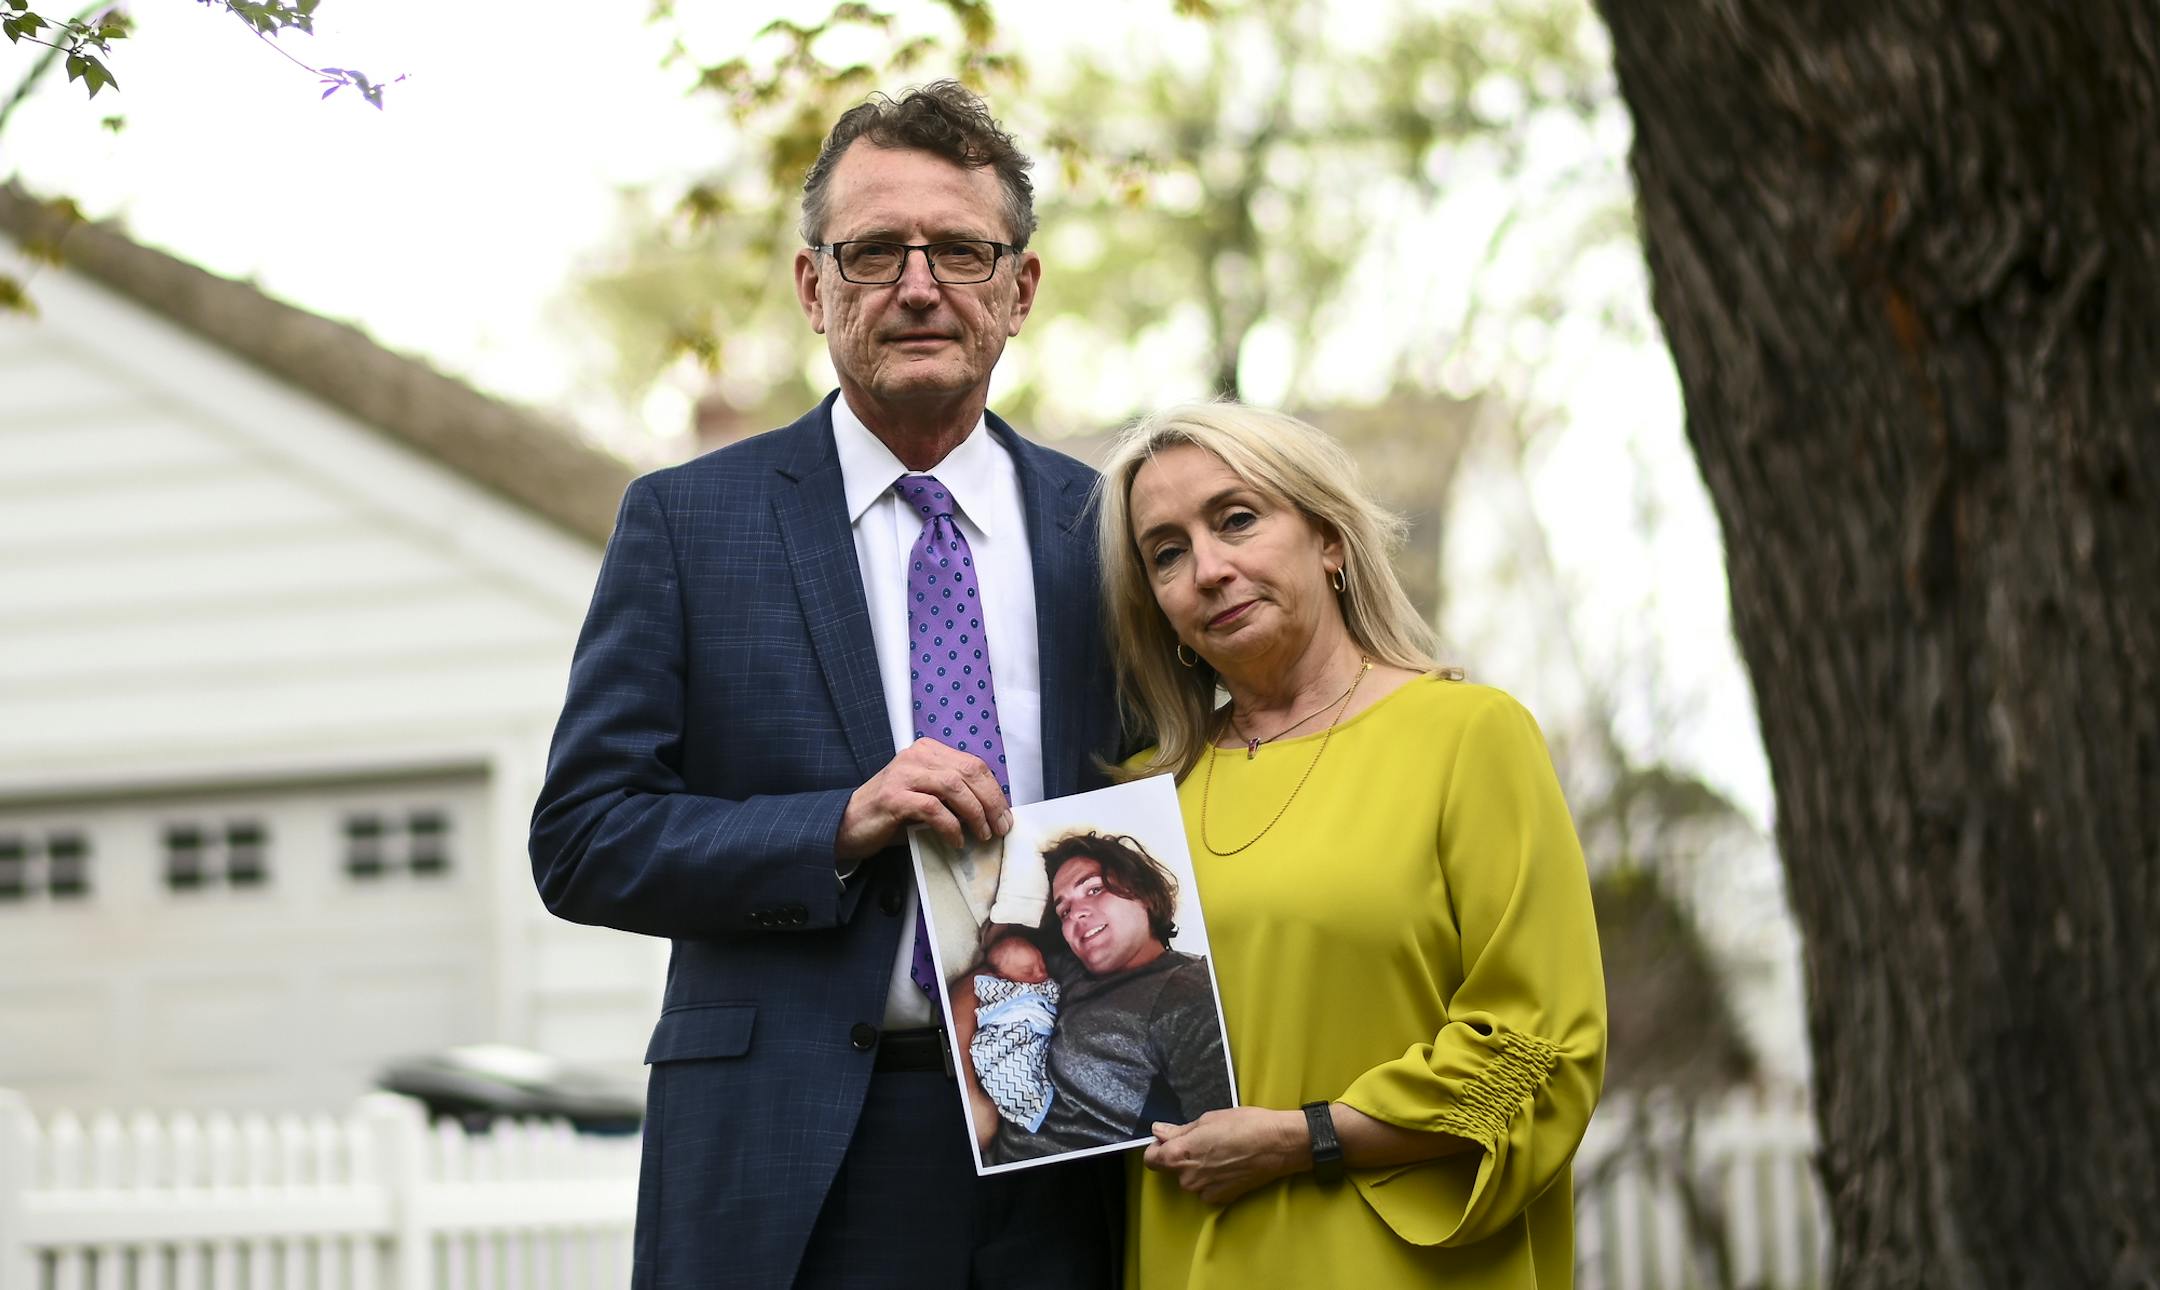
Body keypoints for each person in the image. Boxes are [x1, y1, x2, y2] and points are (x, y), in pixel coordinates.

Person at [529, 82, 1124, 1290]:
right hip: (795, 1151)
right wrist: (838, 826)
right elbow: (583, 840)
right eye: (872, 253)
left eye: (960, 250)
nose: (918, 285)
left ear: (1021, 289)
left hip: (1081, 1143)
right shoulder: (688, 524)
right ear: (814, 288)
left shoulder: (1107, 529)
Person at [1093, 401, 1608, 1288]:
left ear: (1329, 539)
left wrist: (1306, 1139)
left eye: (1238, 519)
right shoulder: (1132, 807)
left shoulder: (1468, 737)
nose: (1209, 569)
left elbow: (1540, 1056)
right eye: (1167, 553)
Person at [957, 830, 1234, 1166]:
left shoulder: (1188, 995)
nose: (1077, 915)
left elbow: (1221, 1150)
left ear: (1143, 893)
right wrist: (971, 1095)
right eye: (1064, 911)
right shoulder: (1061, 967)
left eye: (1094, 889)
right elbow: (977, 980)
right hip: (990, 1162)